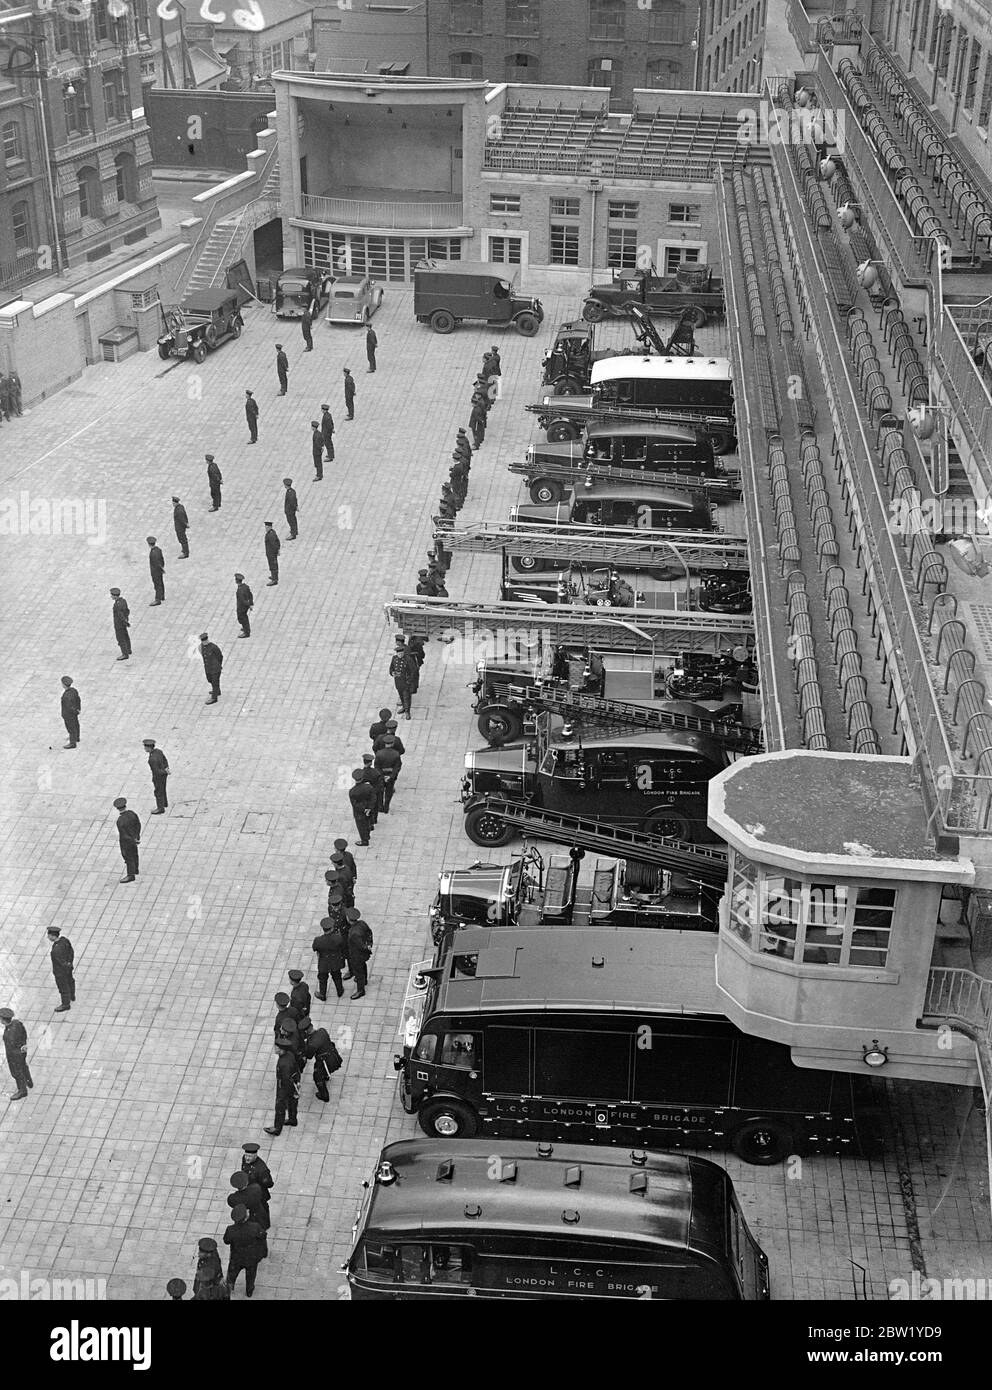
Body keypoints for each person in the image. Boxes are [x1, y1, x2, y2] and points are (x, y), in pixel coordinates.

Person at [224, 1204, 266, 1298]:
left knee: (232, 1274)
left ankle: (229, 1288)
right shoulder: (255, 1227)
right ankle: (249, 1291)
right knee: (250, 1275)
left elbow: (226, 1241)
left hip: (236, 1257)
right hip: (251, 1257)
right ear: (246, 1217)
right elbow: (263, 1235)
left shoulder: (230, 1230)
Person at [264, 1038, 301, 1136]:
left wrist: (283, 1094)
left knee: (280, 1106)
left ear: (281, 1049)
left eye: (276, 1047)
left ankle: (277, 1128)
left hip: (284, 1086)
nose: (274, 1048)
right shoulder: (289, 1055)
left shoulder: (283, 1063)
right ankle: (293, 1119)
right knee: (292, 1102)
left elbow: (285, 1079)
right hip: (293, 1083)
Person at [226, 1171, 270, 1237]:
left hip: (244, 1216)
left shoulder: (233, 1198)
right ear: (246, 1182)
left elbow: (231, 1202)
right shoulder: (256, 1188)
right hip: (258, 1212)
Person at [0, 1008, 31, 1100]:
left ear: (2, 1020)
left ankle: (22, 1091)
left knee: (16, 1072)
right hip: (22, 1051)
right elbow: (23, 1032)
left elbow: (10, 1047)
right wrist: (24, 1044)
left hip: (14, 1055)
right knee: (23, 1065)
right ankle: (28, 1080)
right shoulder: (17, 1023)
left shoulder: (8, 1034)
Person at [312, 917, 346, 1000]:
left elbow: (314, 948)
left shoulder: (318, 940)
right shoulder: (338, 937)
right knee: (337, 976)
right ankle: (340, 991)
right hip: (335, 961)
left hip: (324, 963)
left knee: (322, 978)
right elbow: (342, 946)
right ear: (332, 928)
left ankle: (322, 994)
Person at [306, 1026, 342, 1102]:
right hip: (333, 1055)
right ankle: (326, 1076)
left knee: (317, 1077)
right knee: (324, 1071)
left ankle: (324, 1095)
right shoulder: (322, 1031)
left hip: (324, 1062)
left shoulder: (312, 1043)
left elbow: (309, 1056)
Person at [47, 927, 75, 1012]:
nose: (48, 937)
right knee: (70, 981)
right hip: (69, 967)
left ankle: (65, 1005)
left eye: (49, 935)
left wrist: (64, 967)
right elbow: (71, 952)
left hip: (60, 971)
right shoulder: (64, 940)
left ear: (52, 936)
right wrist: (69, 963)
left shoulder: (56, 950)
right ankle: (72, 996)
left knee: (63, 987)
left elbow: (60, 962)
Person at [113, 797, 141, 882]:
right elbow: (138, 825)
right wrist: (136, 837)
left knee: (128, 857)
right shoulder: (132, 814)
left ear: (117, 808)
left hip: (127, 842)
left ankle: (130, 875)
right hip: (134, 839)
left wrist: (131, 841)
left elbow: (124, 834)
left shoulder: (120, 821)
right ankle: (136, 869)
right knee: (135, 854)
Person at [389, 636, 417, 718]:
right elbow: (391, 668)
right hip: (398, 681)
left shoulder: (408, 659)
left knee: (406, 697)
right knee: (401, 696)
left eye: (401, 653)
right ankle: (404, 708)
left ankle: (407, 711)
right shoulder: (394, 659)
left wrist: (409, 680)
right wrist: (392, 673)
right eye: (398, 653)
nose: (400, 655)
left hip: (406, 681)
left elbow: (413, 670)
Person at [374, 735, 402, 813]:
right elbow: (397, 766)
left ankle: (380, 807)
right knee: (389, 792)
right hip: (391, 777)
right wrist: (391, 776)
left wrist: (382, 776)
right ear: (392, 743)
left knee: (380, 792)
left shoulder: (379, 753)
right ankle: (386, 807)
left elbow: (376, 766)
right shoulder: (396, 754)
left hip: (381, 776)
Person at [346, 918, 373, 1000]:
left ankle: (360, 990)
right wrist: (369, 944)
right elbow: (369, 933)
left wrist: (365, 947)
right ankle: (364, 980)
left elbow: (360, 946)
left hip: (357, 955)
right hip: (363, 954)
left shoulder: (354, 933)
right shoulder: (362, 923)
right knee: (363, 965)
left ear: (349, 919)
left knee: (358, 972)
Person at [348, 768, 377, 846]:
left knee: (361, 827)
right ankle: (370, 828)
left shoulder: (352, 791)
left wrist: (364, 809)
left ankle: (365, 841)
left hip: (360, 813)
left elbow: (355, 804)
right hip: (369, 809)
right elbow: (373, 798)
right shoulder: (369, 787)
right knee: (368, 820)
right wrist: (369, 808)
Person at [143, 738, 169, 813]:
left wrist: (164, 771)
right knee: (163, 789)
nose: (144, 748)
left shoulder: (152, 759)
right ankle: (164, 803)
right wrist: (166, 768)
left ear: (149, 748)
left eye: (145, 747)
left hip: (158, 777)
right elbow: (165, 760)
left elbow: (156, 771)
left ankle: (160, 808)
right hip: (164, 775)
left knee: (158, 792)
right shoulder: (159, 751)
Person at [199, 632, 223, 704]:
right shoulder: (201, 647)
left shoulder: (213, 647)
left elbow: (220, 656)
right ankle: (217, 691)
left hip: (215, 669)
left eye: (205, 641)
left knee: (215, 682)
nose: (205, 642)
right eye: (203, 641)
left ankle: (214, 698)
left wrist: (218, 665)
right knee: (210, 680)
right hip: (208, 668)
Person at [60, 675, 80, 749]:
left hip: (68, 715)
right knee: (76, 724)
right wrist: (78, 709)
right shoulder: (74, 690)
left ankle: (72, 743)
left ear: (64, 685)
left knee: (71, 728)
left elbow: (69, 707)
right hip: (74, 713)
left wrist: (73, 711)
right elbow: (78, 699)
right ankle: (77, 737)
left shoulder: (66, 696)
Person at [110, 588, 131, 660]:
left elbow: (120, 615)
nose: (111, 596)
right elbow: (127, 611)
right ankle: (128, 649)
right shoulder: (123, 601)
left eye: (112, 595)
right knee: (126, 636)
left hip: (119, 624)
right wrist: (126, 620)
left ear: (115, 596)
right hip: (124, 623)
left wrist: (124, 621)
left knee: (120, 638)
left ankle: (125, 654)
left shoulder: (117, 605)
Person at [147, 536, 165, 606]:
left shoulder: (153, 553)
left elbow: (156, 563)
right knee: (161, 582)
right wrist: (162, 568)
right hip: (159, 570)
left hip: (155, 571)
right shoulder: (158, 550)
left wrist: (159, 569)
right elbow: (162, 560)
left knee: (157, 584)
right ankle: (162, 595)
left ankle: (158, 599)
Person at [235, 573, 253, 638]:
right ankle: (246, 628)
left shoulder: (240, 590)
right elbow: (250, 595)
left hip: (241, 607)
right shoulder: (246, 587)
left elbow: (243, 601)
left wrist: (249, 605)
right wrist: (251, 603)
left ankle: (246, 632)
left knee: (242, 619)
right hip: (245, 607)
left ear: (236, 581)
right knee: (244, 618)